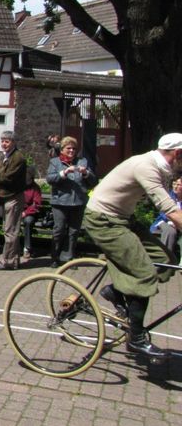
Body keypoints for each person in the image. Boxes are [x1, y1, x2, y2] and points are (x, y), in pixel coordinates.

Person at [82, 133, 182, 358]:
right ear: (177, 153)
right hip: (103, 220)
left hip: (122, 218)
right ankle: (136, 338)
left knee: (166, 261)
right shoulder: (146, 167)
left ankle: (115, 291)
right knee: (144, 273)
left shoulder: (161, 167)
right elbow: (169, 208)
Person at [46, 136, 98, 268]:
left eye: (74, 148)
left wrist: (86, 173)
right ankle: (55, 257)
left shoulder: (82, 161)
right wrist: (64, 173)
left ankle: (68, 258)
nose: (71, 151)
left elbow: (93, 181)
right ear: (62, 149)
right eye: (68, 148)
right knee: (59, 230)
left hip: (78, 202)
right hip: (60, 202)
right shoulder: (55, 162)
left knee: (73, 231)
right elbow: (50, 179)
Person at [0, 130, 27, 271]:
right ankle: (10, 259)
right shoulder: (7, 156)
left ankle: (9, 261)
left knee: (10, 231)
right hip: (7, 197)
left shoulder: (18, 157)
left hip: (13, 197)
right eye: (2, 141)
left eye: (7, 141)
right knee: (8, 229)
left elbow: (7, 177)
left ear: (13, 142)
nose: (4, 144)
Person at [150, 177, 182, 261]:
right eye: (174, 184)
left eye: (178, 185)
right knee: (170, 231)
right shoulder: (168, 196)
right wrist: (173, 222)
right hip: (164, 222)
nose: (175, 186)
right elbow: (164, 213)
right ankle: (164, 259)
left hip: (179, 225)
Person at [20, 165, 43, 261]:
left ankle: (27, 248)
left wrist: (26, 212)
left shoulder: (35, 188)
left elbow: (36, 204)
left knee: (28, 222)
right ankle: (12, 247)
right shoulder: (19, 185)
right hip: (18, 211)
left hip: (30, 213)